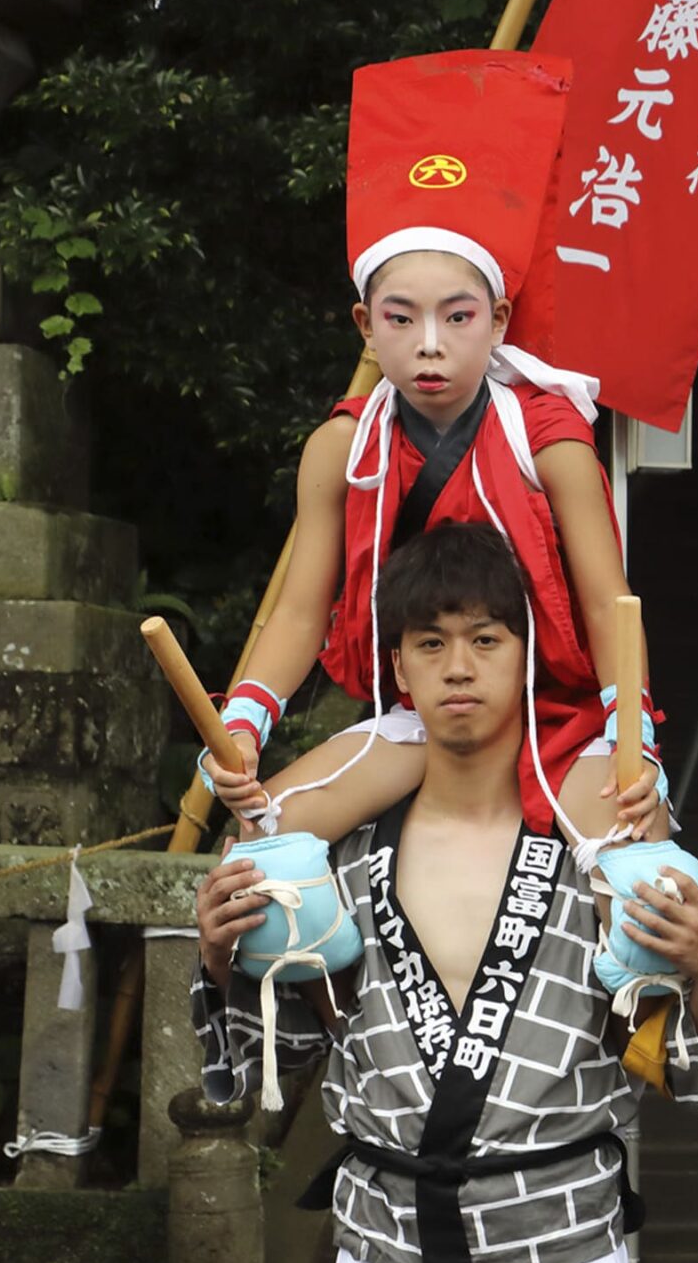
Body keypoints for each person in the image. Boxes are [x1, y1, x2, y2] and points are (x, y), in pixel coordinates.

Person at [191, 523, 698, 1263]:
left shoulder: (592, 857)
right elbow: (280, 1052)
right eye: (431, 642)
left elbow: (655, 1060)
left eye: (487, 639)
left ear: (529, 652)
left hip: (563, 1250)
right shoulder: (344, 861)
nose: (459, 668)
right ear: (399, 669)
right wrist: (221, 961)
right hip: (387, 1252)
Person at [202, 50, 659, 856]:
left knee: (634, 865)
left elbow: (605, 603)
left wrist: (633, 731)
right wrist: (241, 721)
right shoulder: (343, 449)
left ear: (500, 317)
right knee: (263, 849)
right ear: (364, 325)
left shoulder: (548, 442)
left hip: (552, 711)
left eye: (458, 317)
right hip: (417, 712)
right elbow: (304, 609)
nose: (430, 346)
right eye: (401, 318)